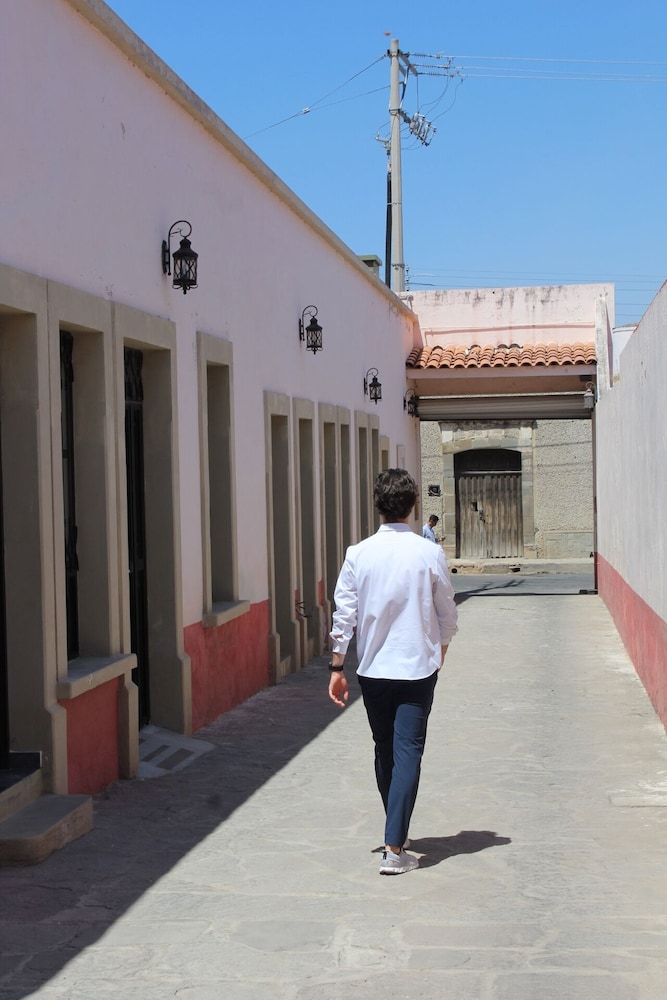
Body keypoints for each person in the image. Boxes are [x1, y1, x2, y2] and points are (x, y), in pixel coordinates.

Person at [328, 469, 458, 875]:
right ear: (413, 505)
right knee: (407, 752)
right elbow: (447, 614)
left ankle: (394, 832)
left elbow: (344, 614)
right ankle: (395, 848)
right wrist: (440, 652)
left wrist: (337, 666)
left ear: (378, 505)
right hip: (417, 669)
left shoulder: (358, 554)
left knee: (385, 748)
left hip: (373, 671)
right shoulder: (428, 553)